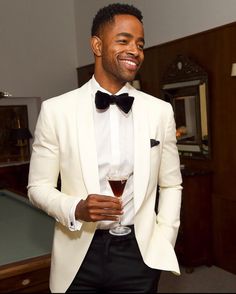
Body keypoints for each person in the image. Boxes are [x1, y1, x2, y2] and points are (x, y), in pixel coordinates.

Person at [27, 3, 182, 293]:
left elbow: (172, 184)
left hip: (139, 254)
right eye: (123, 40)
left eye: (140, 43)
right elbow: (37, 188)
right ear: (97, 45)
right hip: (78, 255)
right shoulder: (56, 110)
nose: (135, 50)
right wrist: (77, 208)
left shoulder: (160, 111)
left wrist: (164, 239)